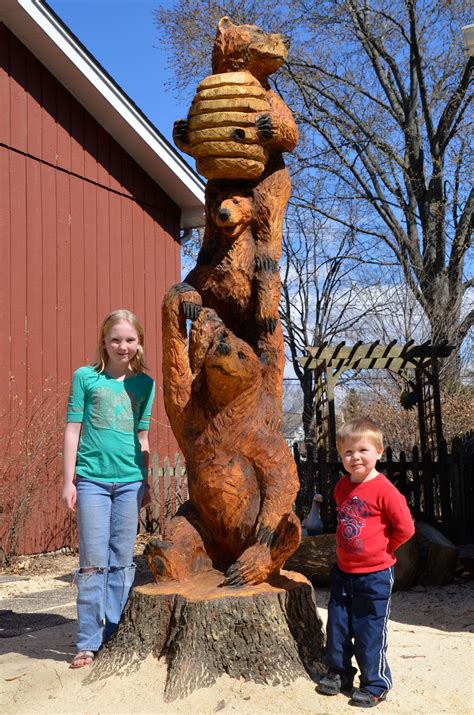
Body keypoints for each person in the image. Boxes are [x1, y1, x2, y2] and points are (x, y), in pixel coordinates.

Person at [61, 309, 155, 669]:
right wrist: (68, 480)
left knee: (122, 562)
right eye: (116, 339)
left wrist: (146, 481)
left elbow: (143, 437)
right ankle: (87, 641)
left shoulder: (144, 385)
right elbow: (73, 430)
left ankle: (114, 633)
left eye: (130, 339)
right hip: (92, 481)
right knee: (92, 563)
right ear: (104, 341)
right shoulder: (86, 378)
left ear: (139, 343)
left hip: (130, 481)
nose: (123, 346)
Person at [317, 417, 414, 708]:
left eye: (363, 450)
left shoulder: (385, 490)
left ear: (379, 452)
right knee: (338, 625)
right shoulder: (341, 488)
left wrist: (384, 550)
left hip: (375, 575)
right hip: (343, 572)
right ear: (341, 457)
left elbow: (406, 528)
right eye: (348, 452)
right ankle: (340, 673)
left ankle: (375, 683)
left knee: (369, 629)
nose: (355, 457)